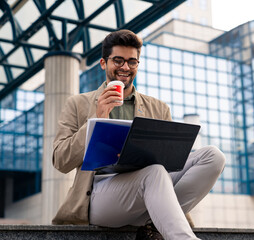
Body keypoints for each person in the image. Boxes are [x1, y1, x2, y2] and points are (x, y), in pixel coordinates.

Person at [51, 29, 226, 240]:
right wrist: (95, 118)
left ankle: (153, 221)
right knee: (154, 172)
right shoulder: (78, 104)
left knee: (213, 156)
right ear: (103, 63)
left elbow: (169, 164)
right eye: (118, 60)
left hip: (149, 188)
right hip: (99, 195)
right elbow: (60, 160)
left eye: (132, 62)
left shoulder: (158, 108)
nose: (125, 67)